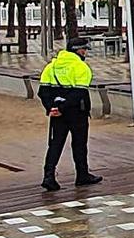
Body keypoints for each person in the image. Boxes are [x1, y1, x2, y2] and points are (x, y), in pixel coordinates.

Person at [37, 37, 103, 191]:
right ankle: (82, 175)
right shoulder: (81, 67)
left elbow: (42, 91)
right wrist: (64, 107)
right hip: (77, 112)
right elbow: (79, 93)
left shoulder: (51, 67)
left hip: (56, 113)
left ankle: (49, 176)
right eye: (84, 49)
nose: (85, 52)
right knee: (79, 144)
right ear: (78, 50)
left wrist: (52, 108)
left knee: (55, 144)